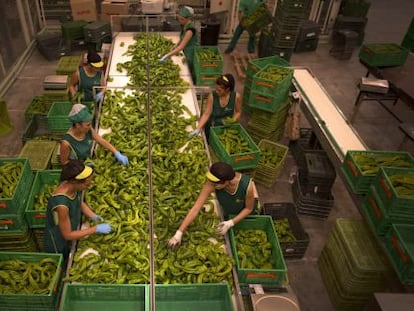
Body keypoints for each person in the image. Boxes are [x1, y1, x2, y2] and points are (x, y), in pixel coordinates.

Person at [168, 162, 257, 249]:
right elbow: (195, 208)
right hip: (228, 211)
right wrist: (179, 233)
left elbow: (248, 209)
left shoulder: (247, 186)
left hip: (245, 214)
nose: (212, 185)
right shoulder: (212, 183)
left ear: (226, 182)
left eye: (215, 184)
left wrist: (231, 222)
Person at [44, 160, 112, 260]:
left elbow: (78, 202)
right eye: (86, 185)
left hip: (72, 228)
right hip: (59, 240)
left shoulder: (71, 186)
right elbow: (67, 235)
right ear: (75, 182)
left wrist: (93, 216)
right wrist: (95, 229)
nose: (88, 186)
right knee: (63, 259)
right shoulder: (61, 205)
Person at [60, 103, 129, 165]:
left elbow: (101, 141)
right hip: (77, 171)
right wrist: (81, 165)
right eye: (87, 124)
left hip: (89, 163)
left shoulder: (88, 130)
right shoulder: (66, 142)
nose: (90, 126)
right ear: (77, 125)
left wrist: (116, 152)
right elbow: (64, 162)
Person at [188, 74, 242, 142]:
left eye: (219, 90)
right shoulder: (212, 96)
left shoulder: (236, 97)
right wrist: (198, 128)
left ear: (227, 89)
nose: (216, 91)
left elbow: (238, 112)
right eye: (216, 89)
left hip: (226, 128)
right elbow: (206, 114)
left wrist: (232, 121)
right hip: (212, 126)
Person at [159, 6, 198, 76]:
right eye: (179, 19)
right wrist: (175, 46)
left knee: (189, 71)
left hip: (190, 52)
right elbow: (182, 38)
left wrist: (167, 56)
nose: (180, 21)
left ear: (188, 18)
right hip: (186, 50)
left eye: (182, 19)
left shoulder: (190, 30)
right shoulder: (184, 25)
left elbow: (181, 47)